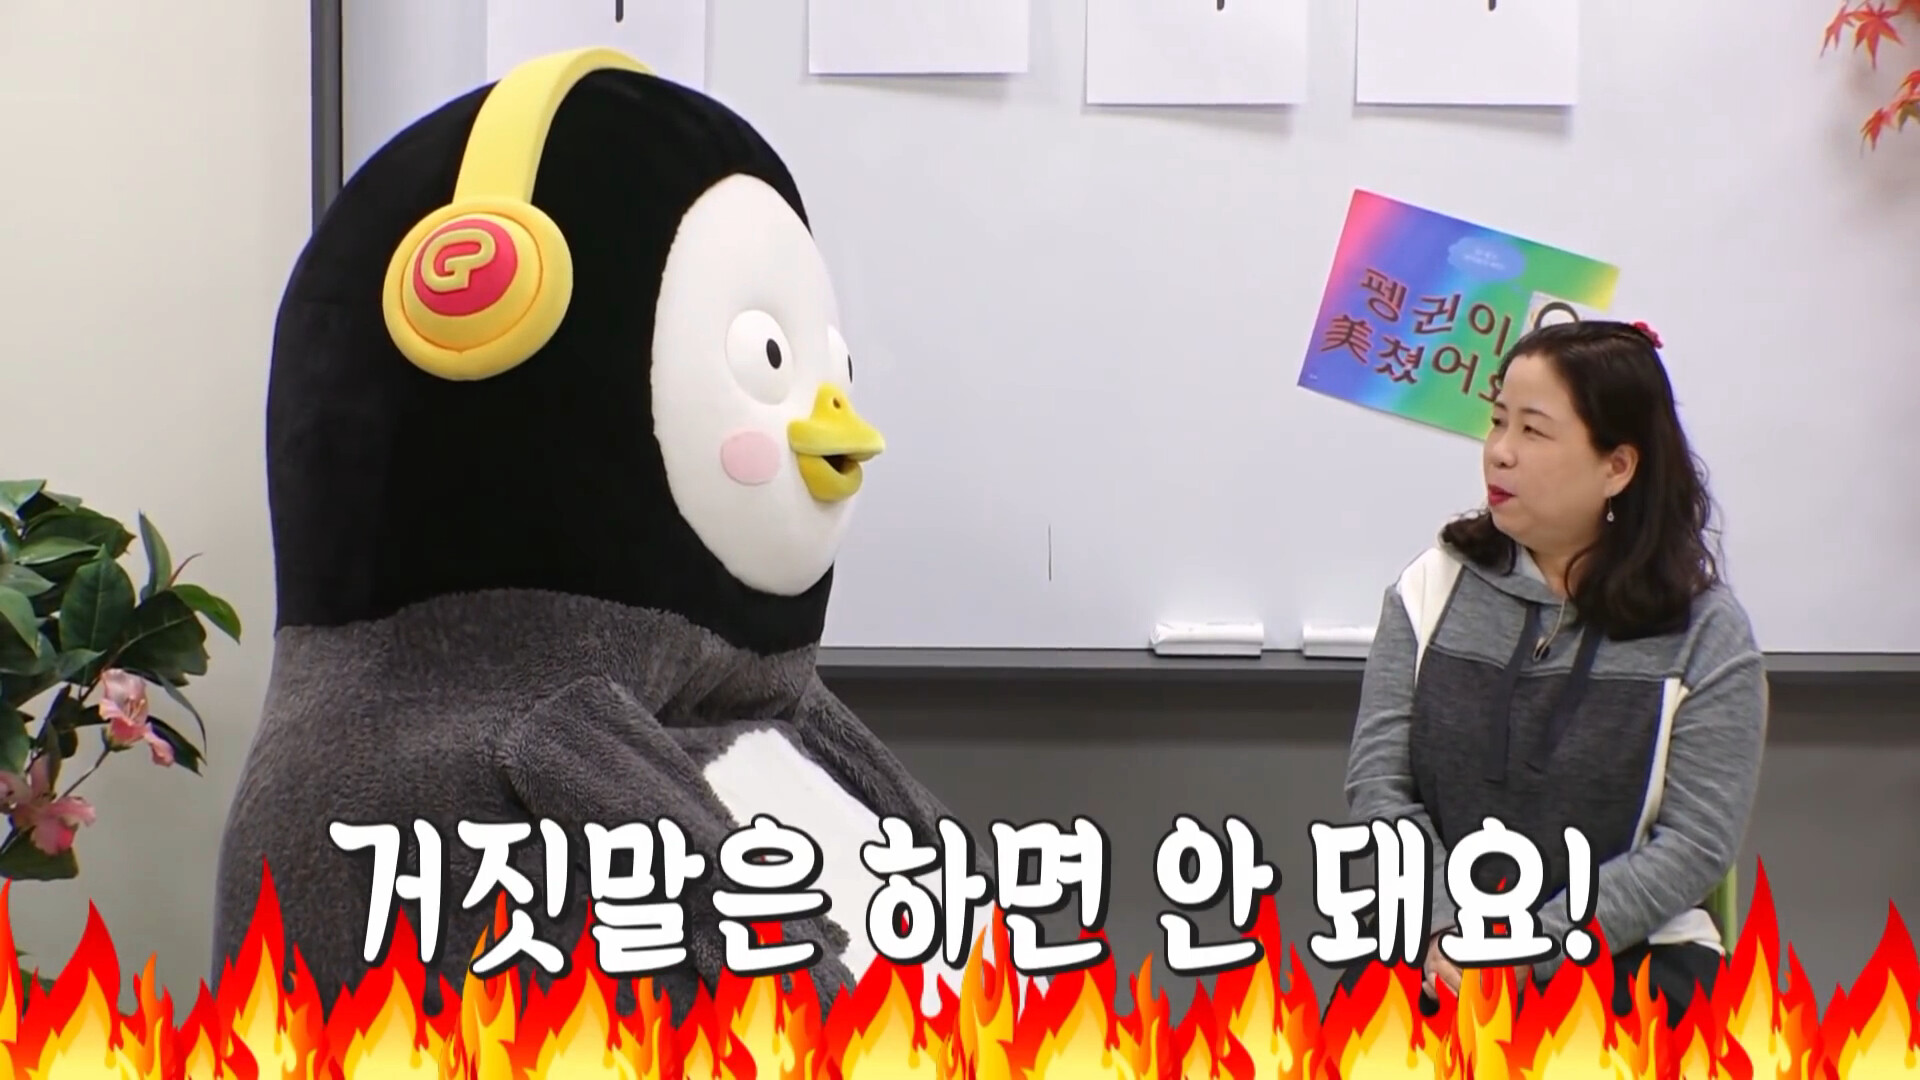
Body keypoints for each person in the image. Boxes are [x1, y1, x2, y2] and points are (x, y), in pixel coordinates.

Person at [1336, 319, 1767, 1024]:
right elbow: (1379, 786)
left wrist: (1532, 946)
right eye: (1497, 420)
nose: (1499, 452)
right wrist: (1446, 928)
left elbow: (1694, 843)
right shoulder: (1429, 589)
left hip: (1630, 955)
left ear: (1617, 467)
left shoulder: (1705, 631)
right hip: (1433, 946)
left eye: (1533, 431)